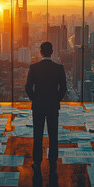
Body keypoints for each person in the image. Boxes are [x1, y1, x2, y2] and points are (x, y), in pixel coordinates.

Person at [25, 42, 67, 176]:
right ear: (52, 51)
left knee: (37, 135)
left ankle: (37, 162)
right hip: (52, 106)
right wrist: (56, 100)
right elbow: (64, 88)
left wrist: (35, 100)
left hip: (38, 106)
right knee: (53, 135)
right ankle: (53, 161)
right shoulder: (59, 68)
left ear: (40, 52)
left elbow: (28, 87)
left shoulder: (34, 67)